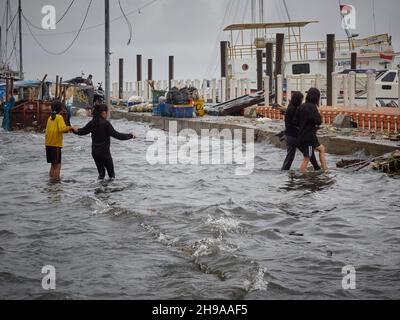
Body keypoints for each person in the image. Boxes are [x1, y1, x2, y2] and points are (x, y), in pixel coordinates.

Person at [72, 104, 135, 180]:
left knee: (101, 174)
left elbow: (81, 132)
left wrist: (73, 129)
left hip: (95, 153)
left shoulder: (92, 123)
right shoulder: (106, 123)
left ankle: (99, 190)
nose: (108, 114)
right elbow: (117, 135)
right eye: (107, 112)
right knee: (111, 176)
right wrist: (130, 135)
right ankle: (109, 190)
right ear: (103, 113)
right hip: (104, 153)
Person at [281, 91, 321, 171]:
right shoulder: (294, 109)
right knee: (308, 154)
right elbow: (297, 122)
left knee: (290, 157)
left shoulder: (290, 107)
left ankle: (284, 172)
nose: (302, 101)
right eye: (301, 99)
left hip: (289, 136)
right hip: (295, 136)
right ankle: (315, 168)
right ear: (297, 99)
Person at [294, 88, 328, 173]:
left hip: (301, 136)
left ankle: (325, 170)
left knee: (321, 149)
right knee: (307, 157)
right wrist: (319, 117)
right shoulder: (312, 107)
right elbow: (318, 121)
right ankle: (301, 174)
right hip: (309, 138)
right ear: (316, 97)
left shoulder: (301, 106)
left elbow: (295, 122)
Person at [45, 100, 73, 181]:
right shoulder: (59, 117)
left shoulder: (50, 117)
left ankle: (50, 181)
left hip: (48, 144)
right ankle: (55, 182)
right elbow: (62, 129)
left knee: (53, 165)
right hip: (55, 145)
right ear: (60, 108)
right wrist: (71, 128)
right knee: (58, 165)